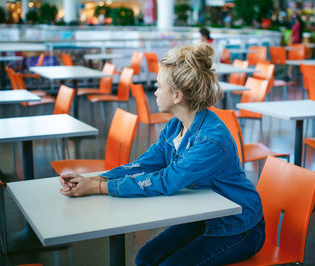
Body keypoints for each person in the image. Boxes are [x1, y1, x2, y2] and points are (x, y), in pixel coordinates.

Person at [59, 43, 265, 265]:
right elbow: (145, 165)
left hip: (239, 227)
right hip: (206, 216)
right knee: (144, 257)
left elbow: (167, 180)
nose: (155, 91)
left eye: (158, 86)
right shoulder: (175, 126)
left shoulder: (210, 141)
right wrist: (99, 179)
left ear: (177, 95)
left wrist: (99, 188)